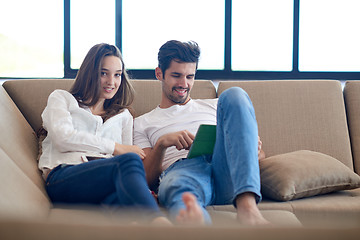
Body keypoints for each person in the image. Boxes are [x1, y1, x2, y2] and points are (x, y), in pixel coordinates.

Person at [133, 40, 269, 225]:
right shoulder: (142, 123)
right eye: (176, 75)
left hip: (226, 170)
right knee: (177, 184)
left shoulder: (215, 105)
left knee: (234, 94)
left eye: (190, 77)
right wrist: (162, 144)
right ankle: (195, 222)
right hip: (185, 171)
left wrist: (252, 149)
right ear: (159, 74)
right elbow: (147, 179)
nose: (184, 84)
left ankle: (247, 206)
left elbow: (260, 157)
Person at [38, 43, 170, 225]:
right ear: (89, 73)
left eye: (117, 75)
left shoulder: (124, 116)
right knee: (128, 161)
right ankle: (161, 224)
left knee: (123, 207)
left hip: (102, 186)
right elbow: (63, 138)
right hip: (63, 177)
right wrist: (116, 147)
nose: (111, 82)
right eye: (103, 73)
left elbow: (127, 166)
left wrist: (139, 187)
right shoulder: (62, 99)